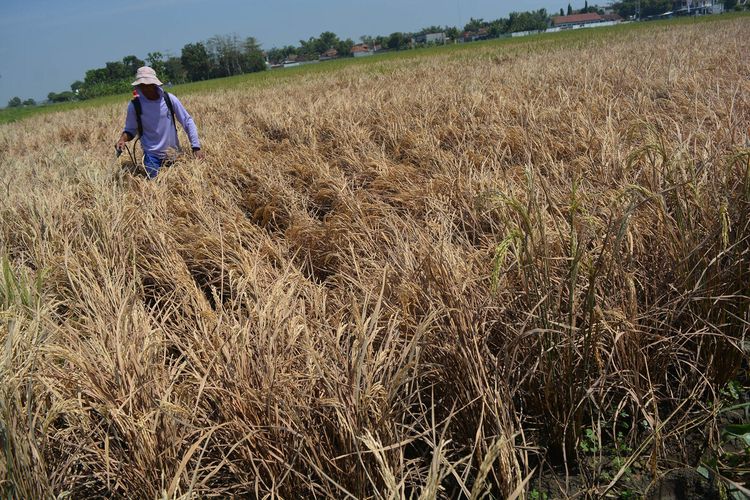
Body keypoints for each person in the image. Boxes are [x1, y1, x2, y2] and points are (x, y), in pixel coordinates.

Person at [115, 66, 204, 178]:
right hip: (152, 157)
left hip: (174, 154)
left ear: (155, 84)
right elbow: (130, 130)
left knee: (181, 182)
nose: (146, 88)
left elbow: (187, 121)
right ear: (139, 86)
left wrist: (196, 147)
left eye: (149, 85)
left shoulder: (169, 99)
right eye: (142, 85)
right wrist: (122, 140)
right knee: (155, 184)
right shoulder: (135, 106)